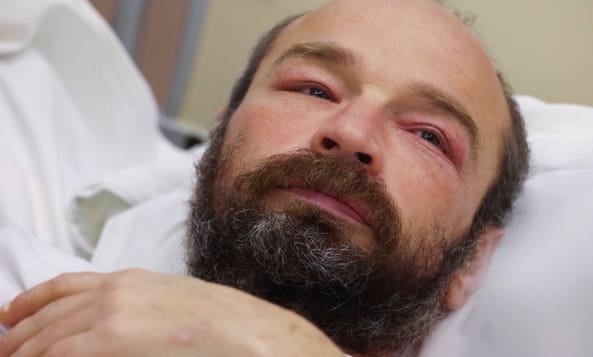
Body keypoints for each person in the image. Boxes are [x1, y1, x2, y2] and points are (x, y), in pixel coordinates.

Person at [0, 0, 529, 356]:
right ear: (220, 135)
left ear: (475, 258)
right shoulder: (26, 289)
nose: (350, 134)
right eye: (313, 90)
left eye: (428, 136)